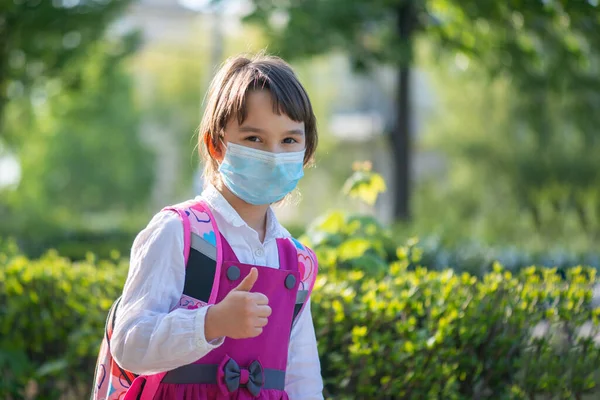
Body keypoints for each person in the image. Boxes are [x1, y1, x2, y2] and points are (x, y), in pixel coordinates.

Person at [109, 53, 324, 400]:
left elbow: (303, 378)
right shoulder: (179, 232)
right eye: (254, 139)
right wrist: (210, 323)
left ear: (306, 150)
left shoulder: (297, 262)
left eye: (289, 141)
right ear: (216, 144)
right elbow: (129, 343)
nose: (272, 154)